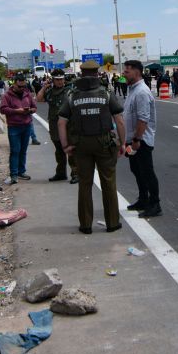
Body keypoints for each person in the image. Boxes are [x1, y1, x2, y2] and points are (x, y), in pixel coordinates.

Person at [58, 61, 127, 233]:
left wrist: (65, 146)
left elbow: (61, 122)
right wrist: (123, 143)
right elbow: (119, 120)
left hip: (81, 145)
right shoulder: (107, 94)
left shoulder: (72, 96)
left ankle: (86, 225)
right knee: (109, 183)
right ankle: (112, 223)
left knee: (85, 184)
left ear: (81, 73)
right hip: (104, 143)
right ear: (97, 73)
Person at [122, 60, 161, 217]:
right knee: (137, 170)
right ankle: (143, 199)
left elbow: (143, 119)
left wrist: (137, 140)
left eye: (126, 71)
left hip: (141, 140)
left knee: (147, 171)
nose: (124, 74)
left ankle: (155, 204)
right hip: (132, 139)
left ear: (136, 72)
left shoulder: (142, 92)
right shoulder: (132, 90)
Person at [39, 70, 78, 183]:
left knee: (70, 150)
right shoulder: (50, 92)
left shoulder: (70, 91)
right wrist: (44, 87)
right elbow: (39, 99)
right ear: (53, 80)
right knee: (59, 150)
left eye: (61, 79)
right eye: (57, 79)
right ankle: (61, 173)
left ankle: (76, 173)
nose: (60, 81)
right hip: (55, 126)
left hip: (68, 126)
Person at [0, 75, 38, 184]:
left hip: (26, 126)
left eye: (24, 86)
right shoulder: (7, 96)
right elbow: (3, 109)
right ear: (14, 84)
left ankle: (21, 171)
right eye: (20, 86)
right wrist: (17, 111)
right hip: (14, 127)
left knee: (23, 151)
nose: (22, 88)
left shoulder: (27, 94)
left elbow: (35, 107)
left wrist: (29, 110)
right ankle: (14, 174)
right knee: (15, 151)